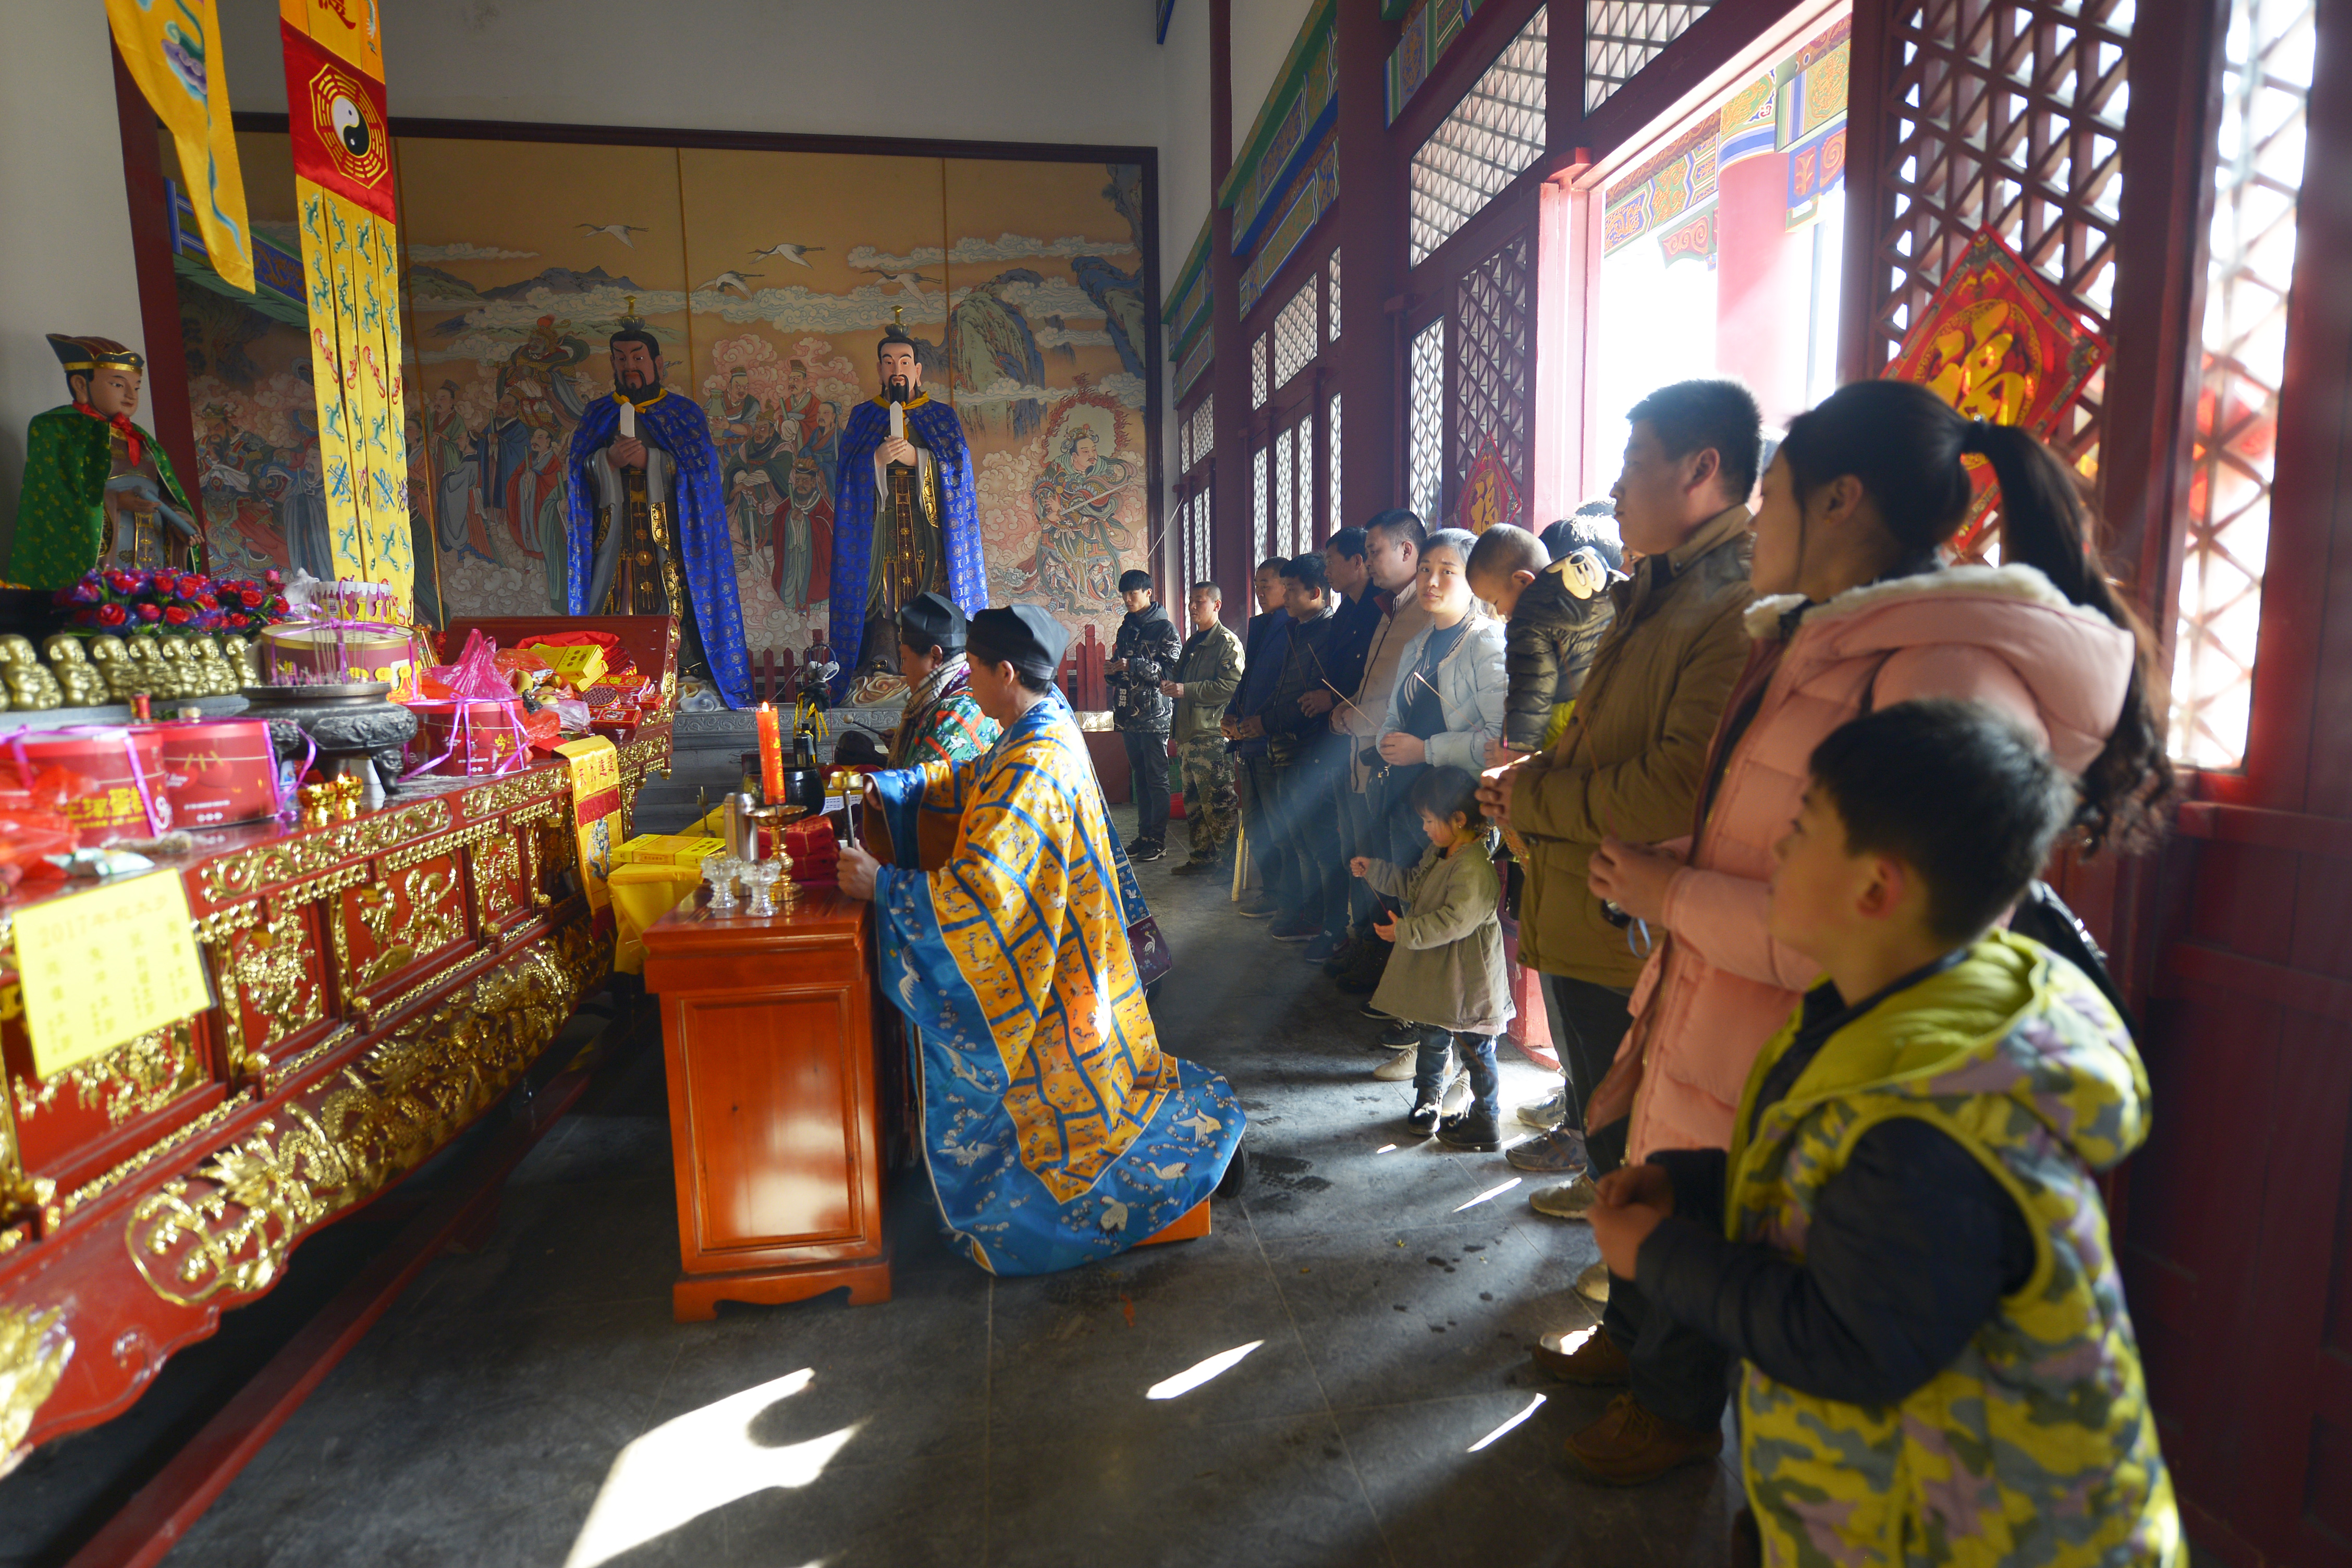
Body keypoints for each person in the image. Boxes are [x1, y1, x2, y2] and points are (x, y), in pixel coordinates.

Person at [1554, 377, 2170, 1485]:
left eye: (1773, 492)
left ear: (1838, 500)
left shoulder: (1943, 669)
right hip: (1736, 1005)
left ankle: (1684, 1413)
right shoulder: (1822, 641)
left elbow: (1874, 924)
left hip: (1799, 1024)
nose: (1755, 520)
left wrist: (1672, 897)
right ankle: (1668, 1379)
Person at [1589, 699, 2181, 1564]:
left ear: (1875, 886)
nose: (1776, 853)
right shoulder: (1885, 1016)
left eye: (1798, 830)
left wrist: (1658, 1257)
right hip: (1886, 1499)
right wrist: (1691, 1187)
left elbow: (1853, 1340)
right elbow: (1833, 1200)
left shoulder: (1938, 1113)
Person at [836, 605, 1244, 1275]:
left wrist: (883, 884)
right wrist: (899, 788)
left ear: (1004, 672)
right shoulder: (1037, 720)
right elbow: (970, 781)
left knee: (1055, 1115)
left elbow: (980, 896)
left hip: (1050, 959)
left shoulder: (1035, 760)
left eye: (971, 667)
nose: (964, 678)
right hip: (1073, 938)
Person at [1476, 382, 1761, 1216]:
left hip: (1629, 914)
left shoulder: (1729, 601)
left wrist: (1535, 796)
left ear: (1702, 469)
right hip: (1587, 892)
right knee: (1604, 1109)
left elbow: (1680, 788)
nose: (1618, 486)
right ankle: (1625, 1297)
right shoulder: (1660, 587)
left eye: (1636, 463)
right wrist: (1532, 782)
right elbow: (1600, 727)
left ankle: (1639, 1311)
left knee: (1639, 1130)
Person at [1365, 527, 1508, 1069]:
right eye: (1426, 568)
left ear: (1473, 578)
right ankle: (1419, 1030)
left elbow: (1498, 737)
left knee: (1448, 923)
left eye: (1449, 569)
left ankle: (1441, 1046)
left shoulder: (1485, 641)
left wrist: (1426, 749)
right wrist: (1388, 743)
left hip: (1460, 806)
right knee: (1415, 903)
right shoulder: (1420, 642)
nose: (1432, 580)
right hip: (1411, 797)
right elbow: (1391, 721)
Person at [564, 309, 752, 707]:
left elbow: (702, 474)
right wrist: (607, 462)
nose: (629, 367)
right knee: (620, 598)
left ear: (657, 364)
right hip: (616, 536)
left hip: (672, 533)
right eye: (621, 359)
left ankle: (686, 670)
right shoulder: (598, 414)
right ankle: (620, 674)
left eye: (638, 358)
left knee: (679, 598)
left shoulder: (684, 413)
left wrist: (653, 463)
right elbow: (578, 473)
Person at [1351, 766, 1513, 1148]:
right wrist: (1376, 871)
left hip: (1470, 980)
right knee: (1432, 1037)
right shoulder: (1440, 852)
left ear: (1459, 820)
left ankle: (1486, 1119)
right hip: (1441, 978)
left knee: (1477, 1050)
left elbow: (1453, 921)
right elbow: (1413, 886)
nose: (1423, 828)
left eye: (1428, 820)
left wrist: (1404, 932)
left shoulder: (1473, 868)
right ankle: (1428, 1099)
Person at [828, 317, 986, 688]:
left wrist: (921, 460)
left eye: (903, 363)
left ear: (916, 370)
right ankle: (882, 656)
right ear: (880, 370)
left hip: (924, 524)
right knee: (883, 591)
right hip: (881, 522)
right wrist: (876, 461)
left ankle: (935, 658)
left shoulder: (940, 416)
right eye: (888, 362)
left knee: (928, 586)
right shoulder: (865, 416)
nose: (896, 370)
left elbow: (959, 472)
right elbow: (848, 475)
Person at [1330, 509, 1434, 996]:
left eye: (1374, 551)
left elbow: (1406, 696)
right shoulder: (1392, 607)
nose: (1368, 560)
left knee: (1401, 871)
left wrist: (1359, 718)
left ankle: (1400, 977)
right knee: (1369, 860)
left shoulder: (1426, 611)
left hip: (1403, 764)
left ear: (1407, 550)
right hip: (1368, 758)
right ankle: (1373, 952)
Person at [1465, 522, 1618, 759]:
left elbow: (1531, 690)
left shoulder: (1528, 621)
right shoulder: (1601, 574)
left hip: (1572, 713)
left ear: (1523, 580)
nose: (1501, 613)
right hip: (1623, 698)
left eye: (1495, 602)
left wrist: (1515, 750)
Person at [1253, 553, 1345, 941]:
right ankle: (1306, 912)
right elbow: (1281, 690)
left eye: (1291, 590)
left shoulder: (1328, 632)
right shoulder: (1294, 629)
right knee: (1295, 838)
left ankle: (1330, 924)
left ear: (1317, 592)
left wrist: (1266, 722)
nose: (1285, 597)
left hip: (1311, 749)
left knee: (1322, 843)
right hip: (1283, 745)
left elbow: (1309, 700)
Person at [1225, 557, 1295, 918]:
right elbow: (1250, 680)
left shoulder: (1294, 627)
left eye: (1267, 583)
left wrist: (1257, 721)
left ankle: (1288, 899)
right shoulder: (1264, 627)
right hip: (1248, 742)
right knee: (1257, 823)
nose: (1260, 591)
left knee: (1279, 823)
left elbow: (1284, 689)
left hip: (1272, 741)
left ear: (1289, 586)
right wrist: (1233, 711)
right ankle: (1272, 892)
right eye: (1257, 584)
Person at [1163, 581, 1244, 877]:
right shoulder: (1193, 643)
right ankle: (1202, 858)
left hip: (1212, 734)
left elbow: (1231, 687)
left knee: (1218, 802)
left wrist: (1185, 690)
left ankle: (1228, 866)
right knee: (1194, 802)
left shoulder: (1226, 642)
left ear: (1217, 605)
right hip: (1188, 733)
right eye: (1191, 601)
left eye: (1200, 601)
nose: (1193, 607)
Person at [1105, 568, 1183, 860]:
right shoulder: (1126, 627)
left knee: (1157, 778)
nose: (1127, 599)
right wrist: (1112, 672)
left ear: (1149, 593)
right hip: (1128, 714)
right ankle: (1144, 834)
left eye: (1133, 594)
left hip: (1155, 715)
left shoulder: (1165, 629)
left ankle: (1158, 840)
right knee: (1139, 777)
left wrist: (1132, 665)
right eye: (1124, 594)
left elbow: (1171, 674)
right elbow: (1121, 666)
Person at [884, 591, 997, 767]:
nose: (903, 669)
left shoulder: (959, 712)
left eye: (905, 659)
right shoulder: (958, 692)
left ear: (936, 656)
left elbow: (925, 789)